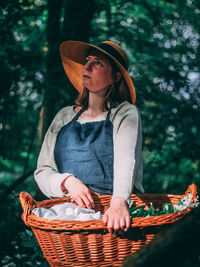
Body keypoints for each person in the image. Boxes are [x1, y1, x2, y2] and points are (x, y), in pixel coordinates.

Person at [34, 40, 144, 234]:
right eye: (87, 60)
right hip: (61, 223)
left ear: (115, 77)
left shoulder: (125, 113)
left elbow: (126, 160)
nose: (87, 66)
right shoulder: (64, 115)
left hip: (108, 220)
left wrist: (118, 202)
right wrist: (67, 181)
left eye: (98, 63)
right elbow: (42, 171)